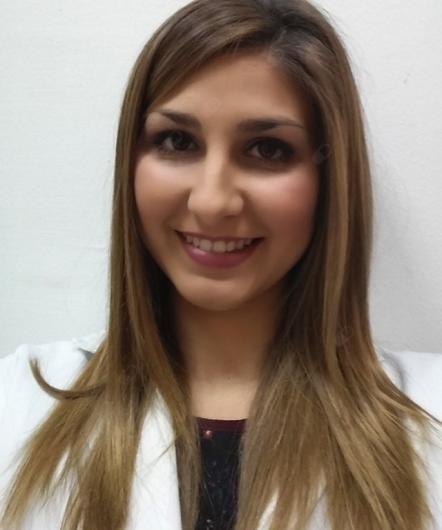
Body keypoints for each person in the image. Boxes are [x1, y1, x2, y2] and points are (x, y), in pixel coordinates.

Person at [1, 0, 441, 529]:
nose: (212, 202)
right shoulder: (17, 405)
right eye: (177, 141)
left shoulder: (430, 419)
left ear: (330, 179)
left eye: (268, 150)